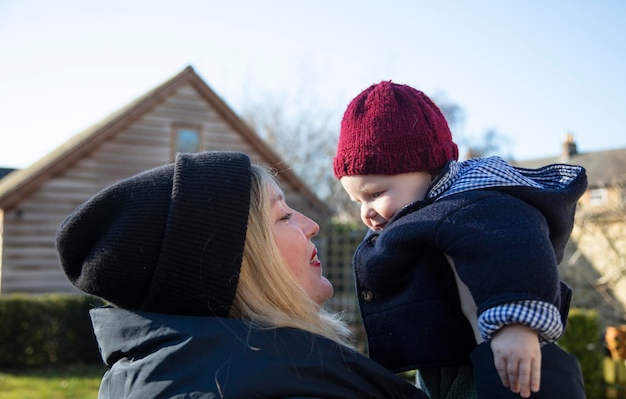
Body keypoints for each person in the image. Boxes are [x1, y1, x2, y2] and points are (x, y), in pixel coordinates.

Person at [56, 151, 428, 399]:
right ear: (237, 266)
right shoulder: (287, 389)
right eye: (283, 216)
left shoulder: (151, 378)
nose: (312, 226)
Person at [333, 81, 587, 399]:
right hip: (443, 361)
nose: (366, 213)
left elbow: (515, 252)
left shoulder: (476, 204)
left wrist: (516, 327)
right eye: (358, 202)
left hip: (494, 353)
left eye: (376, 194)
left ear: (427, 170)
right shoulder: (424, 212)